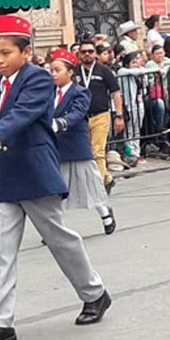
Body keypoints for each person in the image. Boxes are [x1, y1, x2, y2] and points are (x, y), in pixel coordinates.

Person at [0, 15, 111, 340]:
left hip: (33, 171)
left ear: (25, 53)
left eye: (5, 53)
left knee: (60, 239)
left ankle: (94, 293)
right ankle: (1, 322)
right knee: (1, 249)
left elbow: (23, 115)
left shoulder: (38, 80)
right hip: (3, 175)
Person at [49, 49, 116, 235]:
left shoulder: (80, 92)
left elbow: (78, 113)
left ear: (70, 72)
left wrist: (61, 123)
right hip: (56, 146)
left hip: (76, 145)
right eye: (51, 70)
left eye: (57, 70)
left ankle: (105, 213)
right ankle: (57, 229)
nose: (53, 74)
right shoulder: (49, 93)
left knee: (90, 184)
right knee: (56, 189)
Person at [75, 39, 124, 194]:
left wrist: (119, 115)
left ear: (95, 54)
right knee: (86, 152)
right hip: (81, 117)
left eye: (90, 51)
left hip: (101, 115)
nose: (87, 54)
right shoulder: (74, 72)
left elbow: (116, 93)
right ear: (78, 54)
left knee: (98, 151)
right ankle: (107, 179)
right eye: (84, 52)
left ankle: (101, 183)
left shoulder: (104, 71)